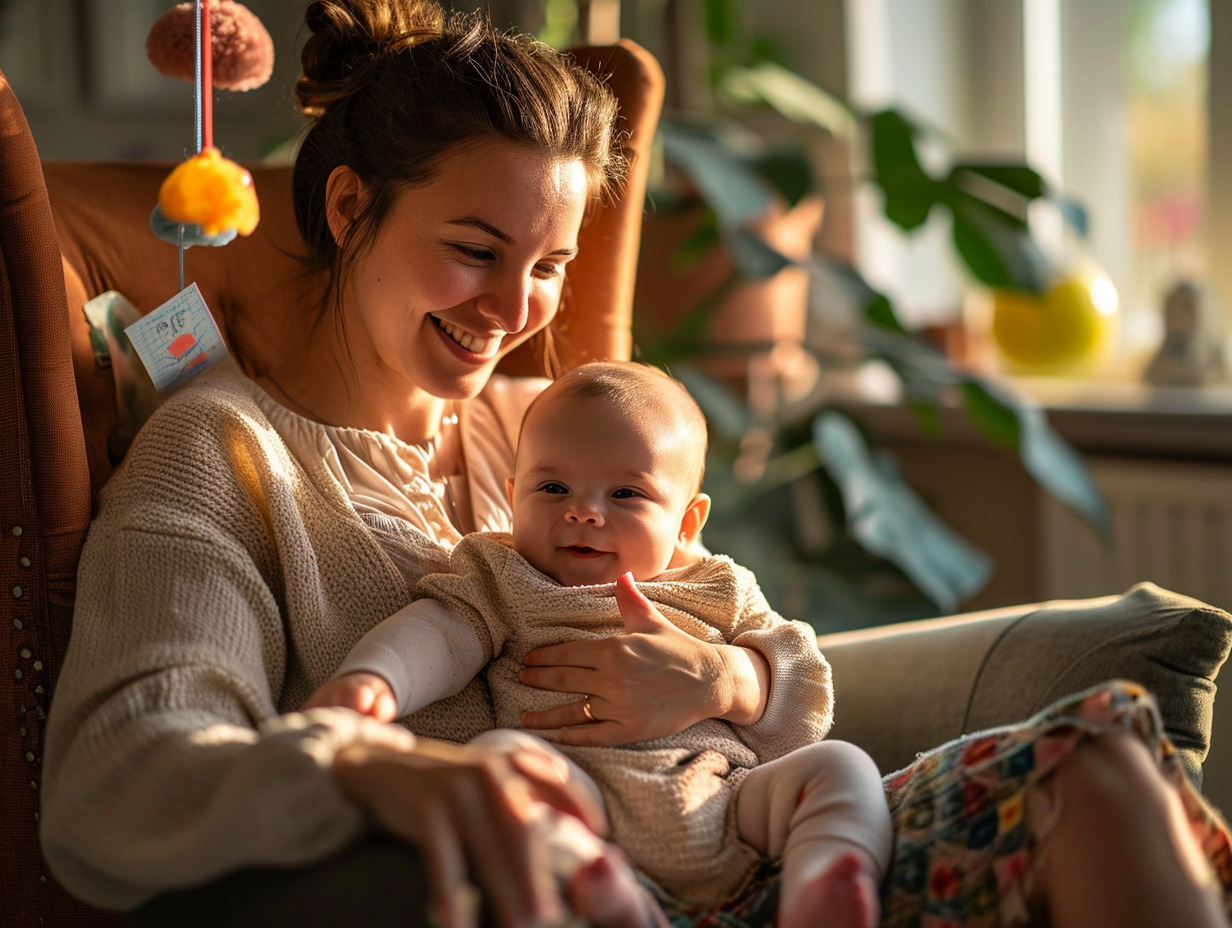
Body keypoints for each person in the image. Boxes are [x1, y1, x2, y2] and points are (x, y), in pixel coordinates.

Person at [37, 0, 1232, 926]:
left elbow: (728, 621)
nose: (514, 307)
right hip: (561, 885)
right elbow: (119, 776)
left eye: (549, 264)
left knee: (1102, 763)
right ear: (349, 207)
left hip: (748, 854)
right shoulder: (225, 452)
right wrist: (368, 772)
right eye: (473, 249)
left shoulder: (547, 425)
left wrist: (727, 684)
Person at [305, 360, 893, 928]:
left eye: (625, 495)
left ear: (687, 523)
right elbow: (439, 633)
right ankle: (600, 885)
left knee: (838, 767)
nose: (583, 512)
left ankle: (829, 877)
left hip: (728, 799)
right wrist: (374, 679)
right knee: (499, 763)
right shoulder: (505, 576)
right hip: (577, 792)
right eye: (554, 487)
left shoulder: (718, 585)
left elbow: (806, 688)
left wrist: (733, 675)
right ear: (513, 498)